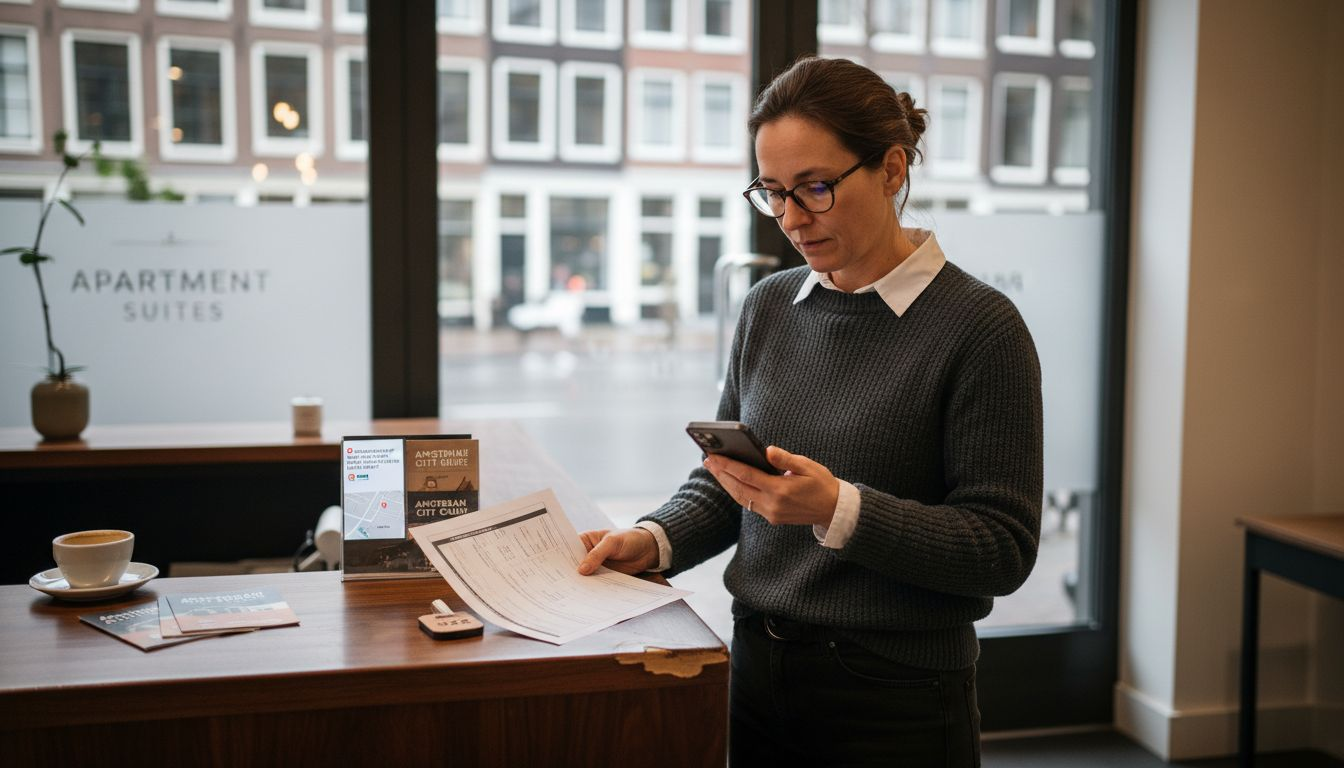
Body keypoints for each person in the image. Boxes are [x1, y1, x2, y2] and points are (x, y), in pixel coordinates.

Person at [577, 56, 1042, 768]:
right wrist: (654, 540)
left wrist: (838, 509)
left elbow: (1001, 547)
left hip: (897, 694)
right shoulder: (768, 306)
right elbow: (730, 478)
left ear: (891, 169)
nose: (791, 219)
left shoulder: (980, 328)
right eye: (772, 193)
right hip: (757, 666)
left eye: (816, 188)